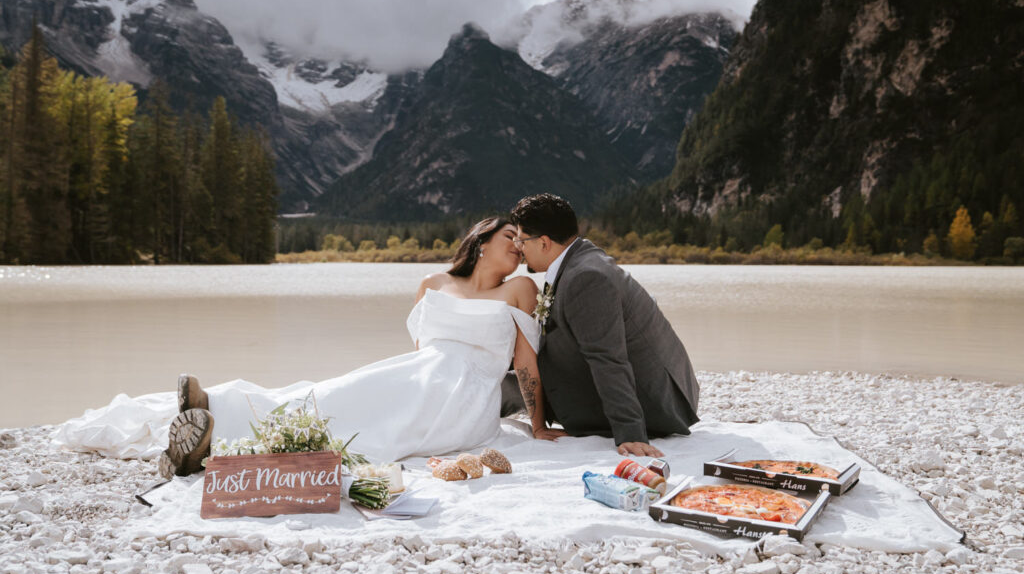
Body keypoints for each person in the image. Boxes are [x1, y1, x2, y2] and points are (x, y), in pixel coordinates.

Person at [160, 217, 564, 478]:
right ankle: (218, 406)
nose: (518, 244)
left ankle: (216, 436)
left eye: (523, 240)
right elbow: (422, 349)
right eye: (509, 236)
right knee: (341, 391)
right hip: (422, 372)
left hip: (466, 396)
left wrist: (539, 425)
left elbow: (525, 364)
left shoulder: (520, 289)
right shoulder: (434, 283)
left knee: (359, 409)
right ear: (481, 242)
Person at [507, 193, 700, 458]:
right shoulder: (579, 259)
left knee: (499, 389)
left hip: (656, 406)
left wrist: (631, 434)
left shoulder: (586, 277)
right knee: (508, 381)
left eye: (521, 239)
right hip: (655, 388)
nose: (518, 247)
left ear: (543, 243)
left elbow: (608, 359)